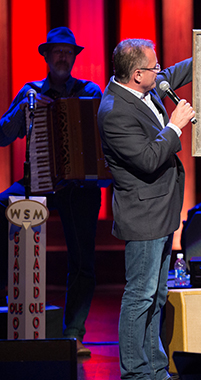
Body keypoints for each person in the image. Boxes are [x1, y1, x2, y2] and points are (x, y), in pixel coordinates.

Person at [0, 27, 102, 356]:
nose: (62, 57)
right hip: (39, 181)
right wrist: (22, 109)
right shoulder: (30, 91)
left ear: (74, 57)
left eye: (68, 52)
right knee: (2, 204)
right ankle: (9, 305)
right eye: (56, 51)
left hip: (77, 184)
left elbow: (102, 137)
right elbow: (4, 136)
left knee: (83, 258)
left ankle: (74, 331)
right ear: (46, 55)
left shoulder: (90, 92)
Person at [97, 38, 194, 380]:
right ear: (137, 74)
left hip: (162, 210)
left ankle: (154, 366)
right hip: (143, 216)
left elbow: (173, 71)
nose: (160, 71)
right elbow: (149, 159)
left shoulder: (140, 88)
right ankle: (136, 373)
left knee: (157, 294)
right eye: (154, 68)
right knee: (140, 296)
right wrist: (175, 124)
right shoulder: (114, 112)